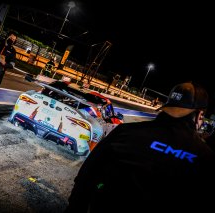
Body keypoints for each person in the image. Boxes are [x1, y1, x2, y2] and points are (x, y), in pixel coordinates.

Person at [65, 82, 215, 212]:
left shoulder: (125, 131)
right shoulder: (205, 156)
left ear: (167, 106)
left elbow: (86, 175)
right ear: (200, 115)